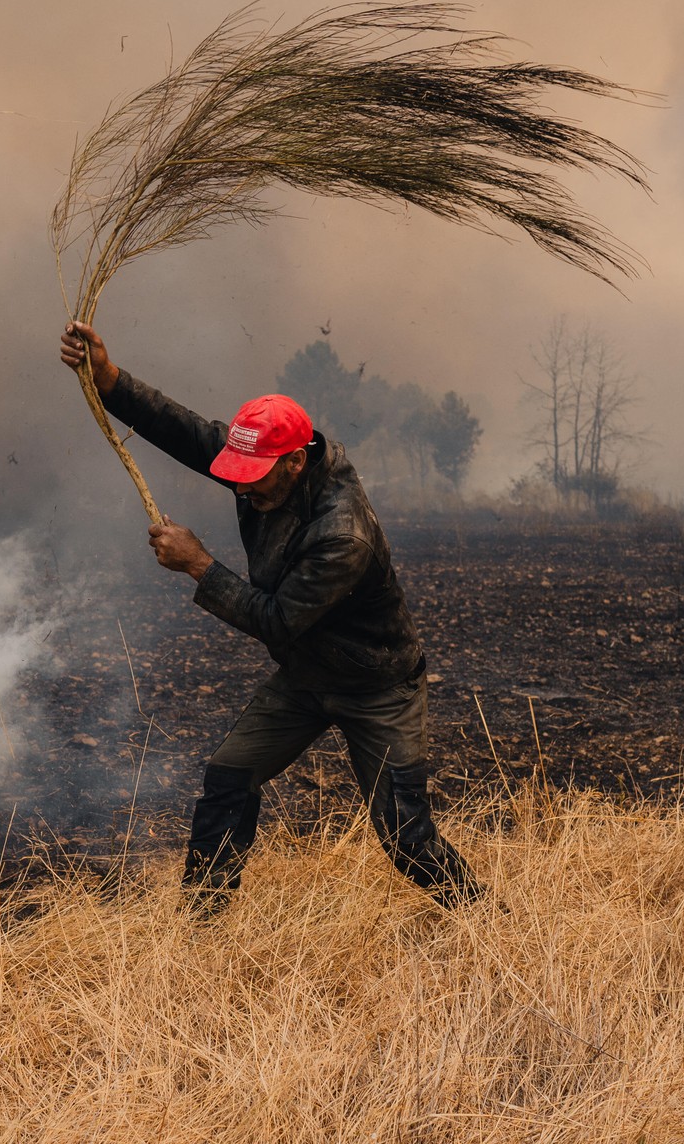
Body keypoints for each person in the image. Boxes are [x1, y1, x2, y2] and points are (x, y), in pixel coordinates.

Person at [59, 321, 482, 913]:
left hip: (376, 688)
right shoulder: (260, 467)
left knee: (406, 839)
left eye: (254, 481)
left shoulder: (343, 533)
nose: (243, 490)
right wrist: (108, 379)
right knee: (228, 779)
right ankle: (202, 930)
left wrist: (198, 564)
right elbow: (183, 431)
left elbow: (279, 620)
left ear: (296, 463)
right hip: (307, 677)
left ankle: (485, 923)